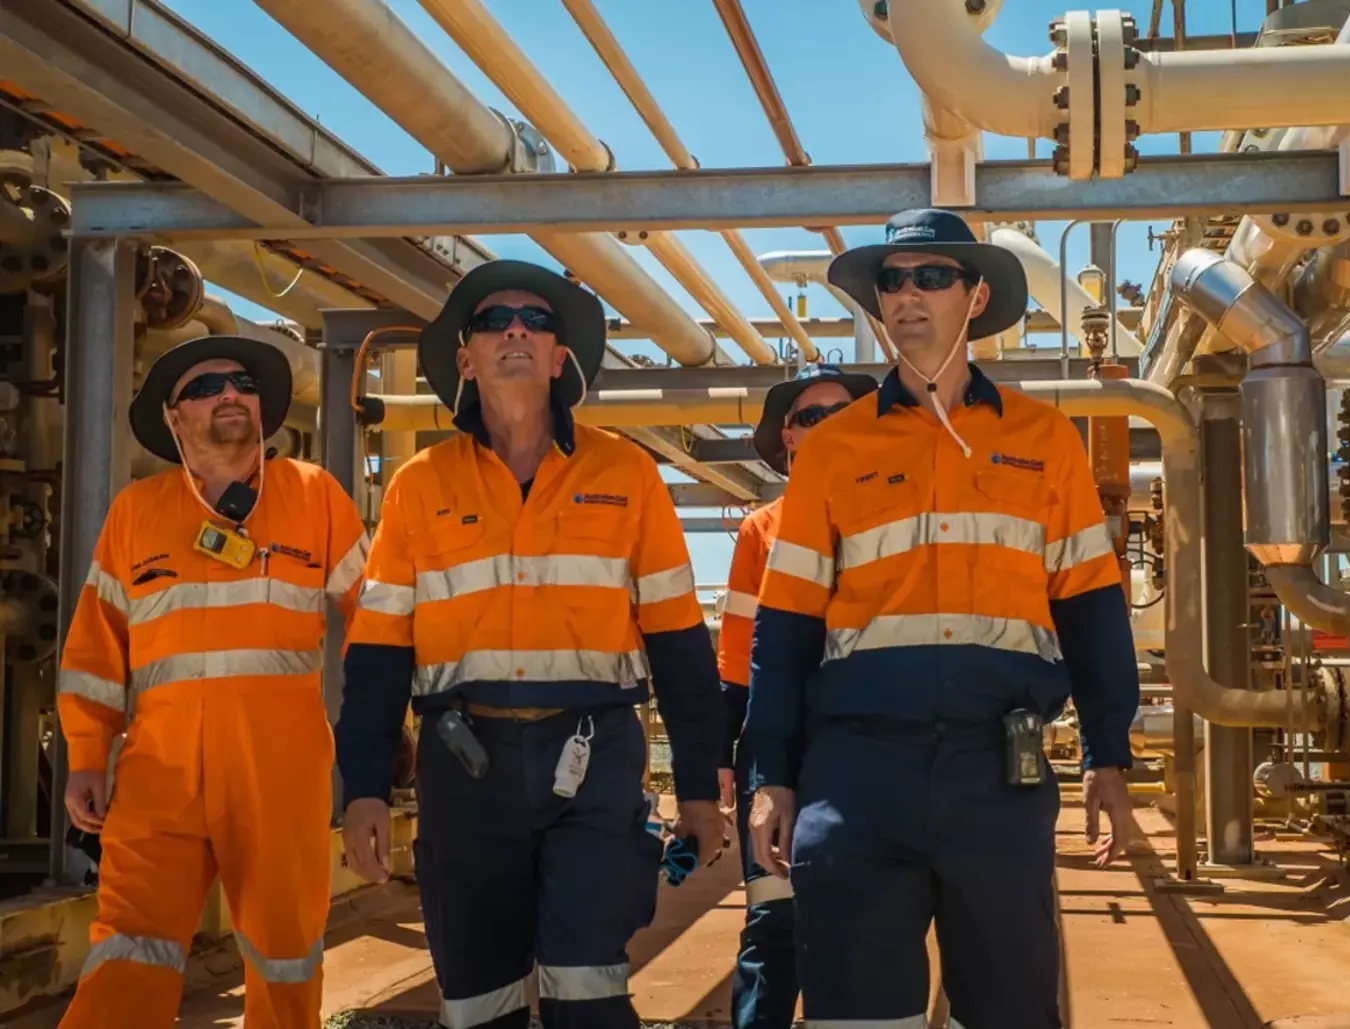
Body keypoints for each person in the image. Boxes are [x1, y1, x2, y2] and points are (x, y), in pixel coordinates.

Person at [745, 208, 1141, 1029]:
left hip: (998, 772)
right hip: (857, 775)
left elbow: (1092, 610)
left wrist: (1110, 752)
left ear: (977, 294)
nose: (908, 295)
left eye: (932, 276)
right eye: (892, 280)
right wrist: (770, 776)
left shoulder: (1046, 440)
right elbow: (783, 632)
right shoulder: (831, 449)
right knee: (855, 1016)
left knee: (1007, 1011)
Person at [336, 259, 727, 1029]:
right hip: (463, 765)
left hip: (595, 762)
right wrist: (363, 788)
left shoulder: (628, 474)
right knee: (478, 1000)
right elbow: (378, 655)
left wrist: (701, 789)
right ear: (465, 356)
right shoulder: (419, 485)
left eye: (536, 320)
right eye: (493, 319)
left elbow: (682, 645)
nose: (515, 327)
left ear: (559, 357)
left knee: (590, 985)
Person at [56, 335, 370, 1028]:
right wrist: (85, 754)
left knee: (286, 959)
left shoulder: (314, 497)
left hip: (279, 772)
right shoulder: (137, 513)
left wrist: (386, 741)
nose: (229, 392)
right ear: (174, 420)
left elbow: (378, 621)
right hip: (158, 774)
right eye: (204, 387)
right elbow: (95, 648)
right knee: (127, 950)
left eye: (241, 382)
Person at [717, 365, 877, 1029]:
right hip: (778, 742)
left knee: (866, 923)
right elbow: (736, 653)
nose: (831, 424)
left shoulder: (893, 513)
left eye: (846, 412)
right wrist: (720, 757)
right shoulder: (764, 529)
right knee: (775, 917)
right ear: (788, 437)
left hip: (871, 740)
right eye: (814, 416)